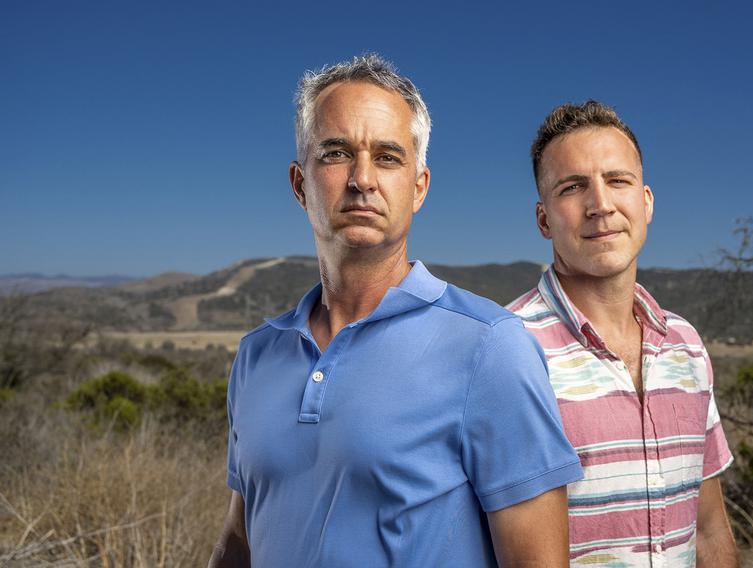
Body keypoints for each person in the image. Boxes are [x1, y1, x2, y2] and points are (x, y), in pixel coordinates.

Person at [208, 54, 583, 568]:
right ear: (300, 184)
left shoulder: (490, 347)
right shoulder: (256, 356)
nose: (362, 179)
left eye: (387, 157)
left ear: (419, 187)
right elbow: (240, 539)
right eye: (336, 153)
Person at [507, 101, 738, 567]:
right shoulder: (509, 348)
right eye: (573, 187)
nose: (601, 205)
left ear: (646, 202)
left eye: (618, 180)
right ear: (544, 219)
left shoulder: (686, 346)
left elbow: (710, 531)